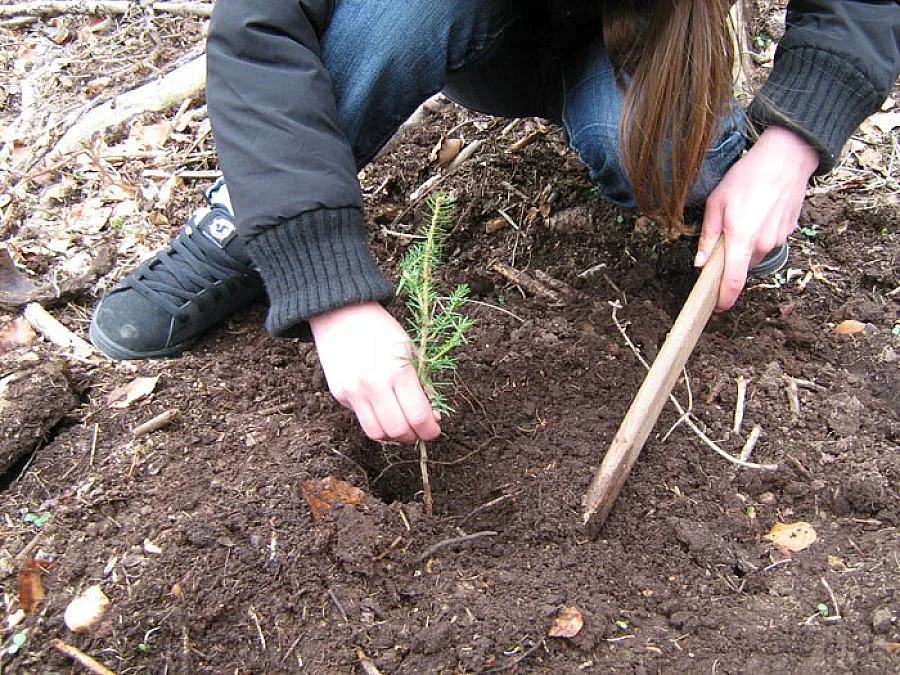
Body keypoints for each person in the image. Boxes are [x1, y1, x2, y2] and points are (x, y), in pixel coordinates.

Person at [90, 0, 900, 444]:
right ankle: (246, 221)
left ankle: (719, 197)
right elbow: (260, 29)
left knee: (648, 151)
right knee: (399, 14)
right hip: (457, 19)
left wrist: (792, 144)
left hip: (643, 34)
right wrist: (324, 286)